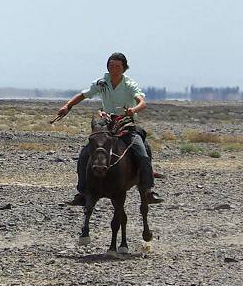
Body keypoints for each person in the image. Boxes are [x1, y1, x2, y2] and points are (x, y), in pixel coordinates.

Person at [57, 52, 164, 206]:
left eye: (117, 66)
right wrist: (68, 106)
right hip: (106, 125)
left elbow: (142, 102)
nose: (114, 69)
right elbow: (84, 94)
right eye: (111, 66)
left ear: (124, 68)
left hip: (125, 124)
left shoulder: (129, 84)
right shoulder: (102, 82)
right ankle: (82, 192)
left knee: (142, 152)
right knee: (85, 154)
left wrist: (134, 109)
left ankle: (147, 190)